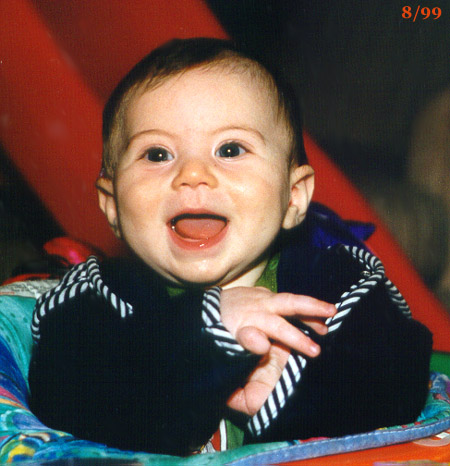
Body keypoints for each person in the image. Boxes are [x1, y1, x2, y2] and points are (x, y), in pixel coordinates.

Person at [28, 38, 432, 456]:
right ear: (112, 205)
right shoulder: (92, 298)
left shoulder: (336, 282)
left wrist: (294, 394)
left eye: (230, 149)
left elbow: (401, 383)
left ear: (293, 197)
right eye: (157, 154)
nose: (193, 173)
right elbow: (65, 406)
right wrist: (206, 329)